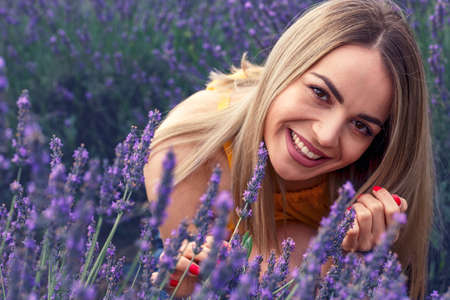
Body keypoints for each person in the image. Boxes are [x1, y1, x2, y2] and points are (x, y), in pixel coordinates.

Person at [144, 0, 435, 298]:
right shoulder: (188, 152)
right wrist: (194, 287)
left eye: (361, 125)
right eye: (320, 93)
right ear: (285, 66)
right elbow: (201, 285)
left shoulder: (374, 167)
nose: (326, 136)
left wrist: (364, 257)